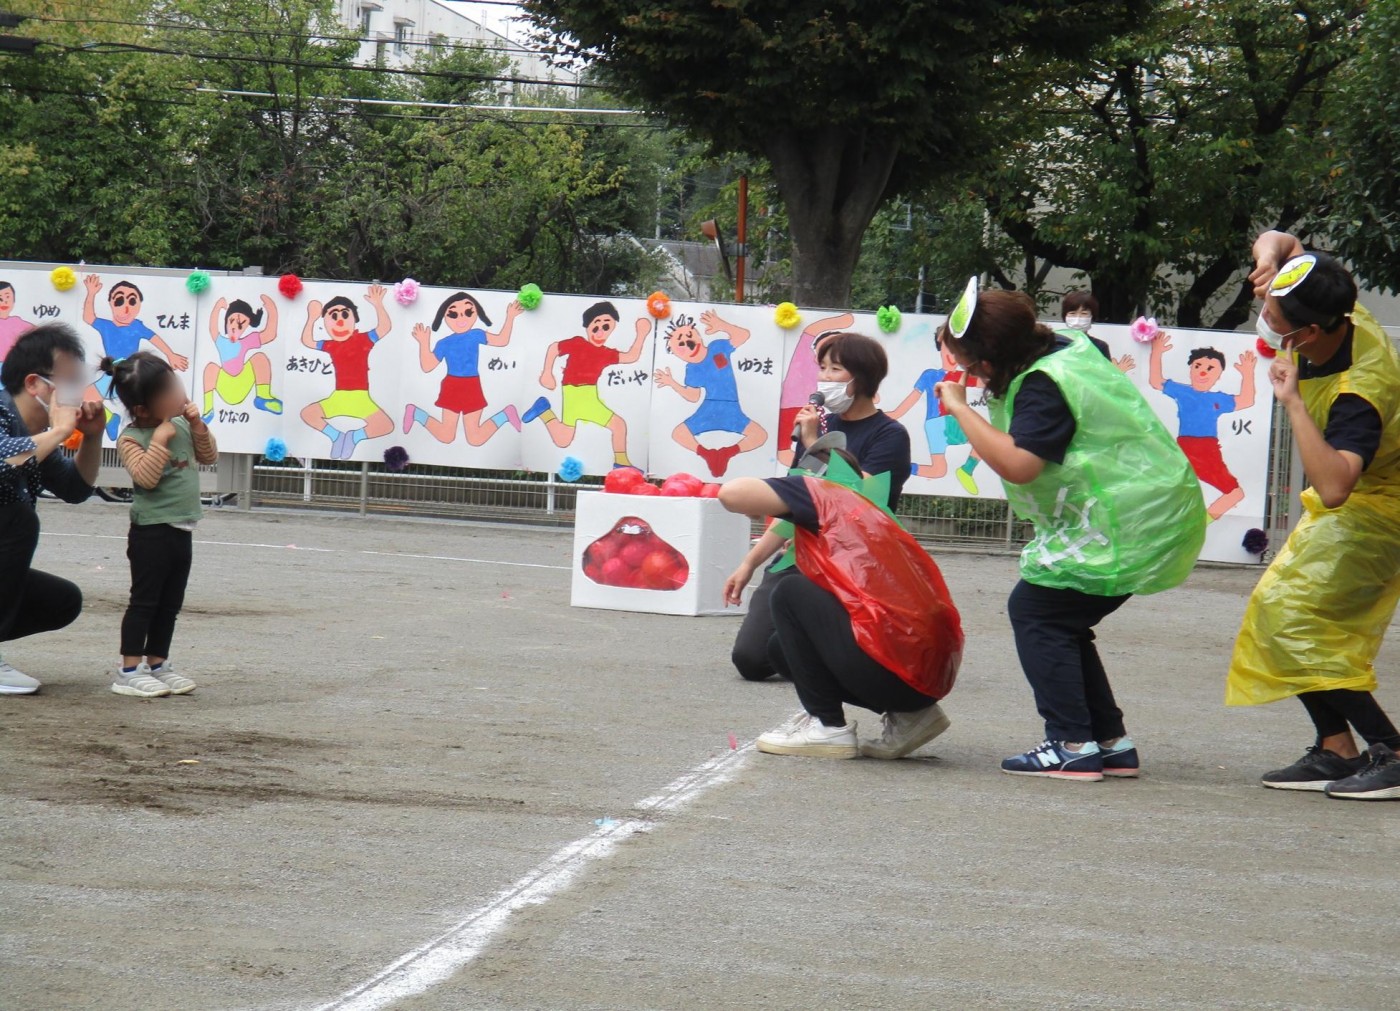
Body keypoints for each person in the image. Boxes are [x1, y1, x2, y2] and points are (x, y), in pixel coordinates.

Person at [936, 282, 1205, 780]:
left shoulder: (1044, 383)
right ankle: (1110, 742)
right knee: (1061, 617)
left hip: (1126, 520)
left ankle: (1072, 743)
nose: (972, 376)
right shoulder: (1065, 347)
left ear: (990, 362)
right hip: (1141, 508)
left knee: (1036, 610)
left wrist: (960, 407)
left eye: (971, 367)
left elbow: (1020, 465)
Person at [1227, 233, 1400, 801]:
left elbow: (1334, 487)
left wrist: (1294, 403)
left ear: (1308, 334)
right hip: (1359, 500)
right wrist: (1268, 262)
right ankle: (1336, 748)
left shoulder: (1360, 392)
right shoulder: (1335, 303)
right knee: (1279, 613)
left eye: (1275, 320)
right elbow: (1282, 241)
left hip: (1381, 507)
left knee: (1297, 621)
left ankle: (1392, 751)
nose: (1265, 321)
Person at [719, 449, 963, 759]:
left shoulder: (819, 494)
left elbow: (732, 494)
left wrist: (778, 493)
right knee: (780, 649)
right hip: (923, 677)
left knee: (789, 591)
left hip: (899, 669)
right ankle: (911, 716)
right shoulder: (865, 513)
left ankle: (828, 726)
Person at [726, 332, 911, 682]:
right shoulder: (820, 427)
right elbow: (794, 503)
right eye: (822, 368)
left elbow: (857, 496)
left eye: (835, 369)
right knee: (750, 659)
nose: (824, 378)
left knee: (790, 650)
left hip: (855, 559)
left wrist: (814, 443)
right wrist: (749, 563)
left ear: (862, 378)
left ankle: (841, 646)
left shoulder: (889, 435)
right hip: (803, 552)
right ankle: (819, 647)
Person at [104, 352, 218, 698]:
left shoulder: (181, 423)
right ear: (142, 409)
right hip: (150, 532)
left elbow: (209, 456)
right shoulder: (131, 438)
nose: (178, 394)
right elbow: (146, 478)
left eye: (175, 385)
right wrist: (159, 440)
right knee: (145, 602)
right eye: (167, 391)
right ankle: (128, 670)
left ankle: (158, 663)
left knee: (170, 604)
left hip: (182, 529)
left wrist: (197, 425)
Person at [0, 325, 105, 694]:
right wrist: (59, 432)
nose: (79, 392)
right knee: (18, 518)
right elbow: (1, 464)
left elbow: (76, 489)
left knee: (62, 601)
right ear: (35, 383)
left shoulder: (37, 431)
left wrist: (92, 436)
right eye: (70, 381)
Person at [522, 301, 650, 469]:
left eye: (606, 326)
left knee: (563, 439)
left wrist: (641, 334)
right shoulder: (578, 343)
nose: (600, 331)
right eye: (596, 326)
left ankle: (544, 411)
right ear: (587, 326)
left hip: (587, 396)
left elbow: (631, 356)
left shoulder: (606, 353)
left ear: (612, 328)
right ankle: (620, 462)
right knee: (617, 425)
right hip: (575, 395)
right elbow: (554, 348)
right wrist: (547, 372)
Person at [1148, 336, 1257, 519]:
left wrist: (1248, 373)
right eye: (1197, 366)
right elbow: (1156, 381)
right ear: (1190, 369)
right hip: (1186, 449)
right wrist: (1157, 352)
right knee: (1168, 489)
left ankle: (1200, 523)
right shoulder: (1183, 392)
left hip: (1208, 453)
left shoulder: (1217, 399)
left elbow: (1247, 400)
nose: (1203, 372)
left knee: (1235, 493)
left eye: (1210, 368)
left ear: (1219, 375)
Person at [653, 309, 768, 477]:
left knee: (760, 435)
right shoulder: (692, 369)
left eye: (690, 336)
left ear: (699, 336)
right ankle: (708, 455)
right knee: (678, 433)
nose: (688, 343)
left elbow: (743, 335)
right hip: (708, 410)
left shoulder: (717, 347)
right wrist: (672, 383)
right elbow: (693, 397)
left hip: (732, 410)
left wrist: (722, 325)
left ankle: (726, 453)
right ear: (676, 354)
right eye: (680, 344)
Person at [404, 291, 524, 445]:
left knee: (475, 438)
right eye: (453, 315)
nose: (461, 319)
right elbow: (427, 366)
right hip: (452, 386)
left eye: (468, 312)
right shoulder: (444, 343)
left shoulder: (476, 335)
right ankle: (416, 413)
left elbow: (502, 340)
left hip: (472, 385)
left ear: (476, 313)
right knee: (446, 436)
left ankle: (506, 415)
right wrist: (423, 343)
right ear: (444, 316)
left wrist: (510, 317)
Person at [299, 286, 395, 461]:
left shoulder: (363, 339)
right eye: (333, 316)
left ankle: (353, 437)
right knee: (307, 413)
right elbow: (307, 341)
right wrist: (311, 318)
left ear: (354, 319)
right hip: (338, 398)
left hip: (361, 399)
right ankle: (336, 436)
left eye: (345, 315)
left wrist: (378, 304)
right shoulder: (331, 345)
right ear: (326, 323)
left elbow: (385, 327)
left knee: (386, 425)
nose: (340, 321)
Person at [203, 294, 283, 422]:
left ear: (247, 326)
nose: (234, 327)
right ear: (226, 322)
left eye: (241, 325)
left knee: (259, 358)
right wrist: (217, 307)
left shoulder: (246, 342)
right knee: (210, 368)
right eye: (231, 321)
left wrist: (272, 310)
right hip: (225, 386)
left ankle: (263, 396)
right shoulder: (221, 341)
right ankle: (208, 410)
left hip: (242, 383)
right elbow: (213, 328)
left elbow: (270, 334)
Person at [1060, 291, 1134, 373]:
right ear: (1065, 316)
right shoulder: (1056, 342)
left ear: (1092, 317)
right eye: (1072, 313)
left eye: (1084, 313)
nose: (1078, 318)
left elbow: (1105, 375)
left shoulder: (1099, 346)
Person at [0, 280, 37, 365]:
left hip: (14, 365)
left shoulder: (17, 322)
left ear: (14, 300)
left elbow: (41, 333)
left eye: (8, 297)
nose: (4, 301)